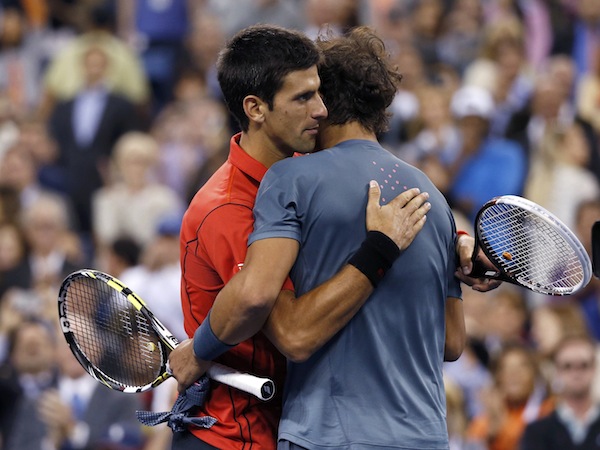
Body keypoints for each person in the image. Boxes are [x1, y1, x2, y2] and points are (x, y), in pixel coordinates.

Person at [170, 26, 494, 449]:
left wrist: (455, 247)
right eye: (304, 97)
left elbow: (293, 333)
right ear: (255, 108)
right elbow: (450, 343)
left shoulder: (297, 177)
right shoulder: (229, 207)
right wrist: (438, 242)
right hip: (234, 435)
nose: (319, 109)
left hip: (313, 432)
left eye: (320, 93)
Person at [520, 334, 600, 449]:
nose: (576, 373)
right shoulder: (537, 432)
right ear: (557, 371)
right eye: (567, 366)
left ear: (594, 369)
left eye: (583, 365)